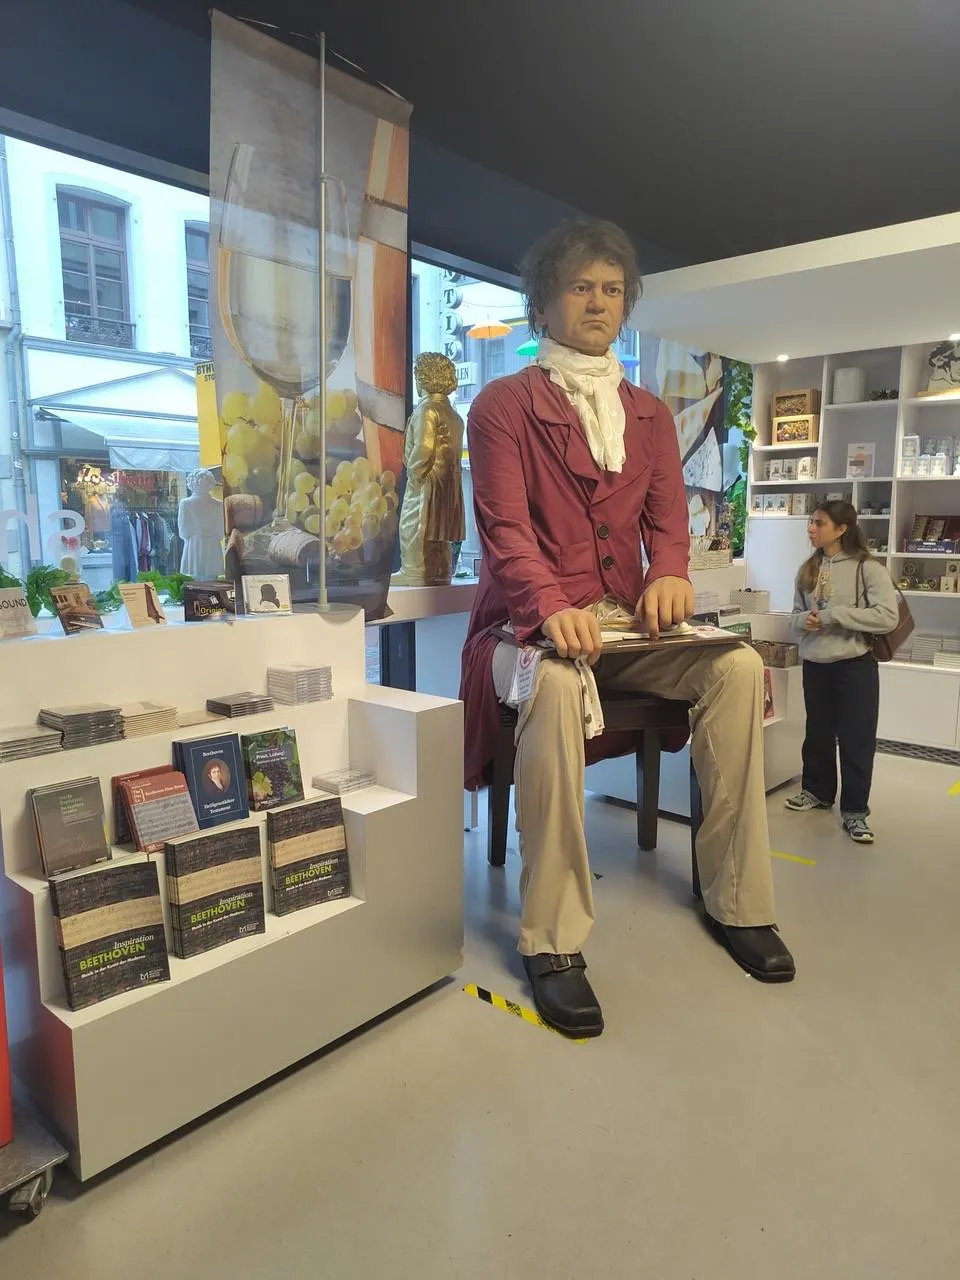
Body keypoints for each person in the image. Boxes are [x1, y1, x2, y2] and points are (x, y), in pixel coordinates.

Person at [460, 219, 796, 1039]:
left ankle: (738, 901)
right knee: (554, 682)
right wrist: (549, 606)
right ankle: (553, 940)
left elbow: (667, 523)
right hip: (516, 632)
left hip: (625, 632)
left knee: (736, 669)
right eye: (581, 287)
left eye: (612, 290)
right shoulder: (501, 406)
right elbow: (505, 530)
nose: (598, 303)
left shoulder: (646, 415)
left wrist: (671, 572)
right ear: (543, 303)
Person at [785, 500, 898, 844]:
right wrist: (805, 621)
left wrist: (836, 615)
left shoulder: (868, 568)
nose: (811, 528)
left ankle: (855, 812)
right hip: (815, 665)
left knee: (856, 739)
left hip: (855, 666)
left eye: (819, 523)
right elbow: (793, 618)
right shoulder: (807, 569)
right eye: (811, 522)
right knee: (817, 734)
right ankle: (817, 791)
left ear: (842, 529)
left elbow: (887, 616)